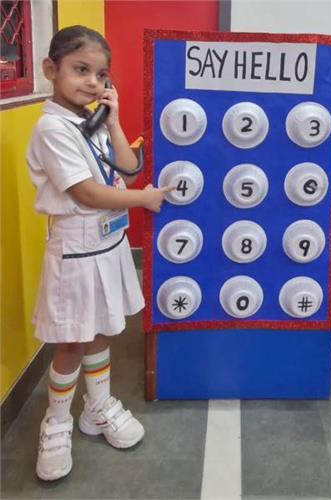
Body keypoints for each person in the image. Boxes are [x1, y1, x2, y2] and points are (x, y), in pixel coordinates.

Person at [27, 25, 173, 480]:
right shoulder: (52, 128)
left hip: (108, 244)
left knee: (102, 328)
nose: (92, 82)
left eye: (100, 74)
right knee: (72, 339)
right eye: (80, 70)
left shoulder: (89, 122)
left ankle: (98, 406)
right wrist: (144, 200)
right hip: (76, 249)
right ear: (50, 69)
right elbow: (87, 193)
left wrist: (112, 120)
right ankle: (56, 422)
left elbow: (127, 171)